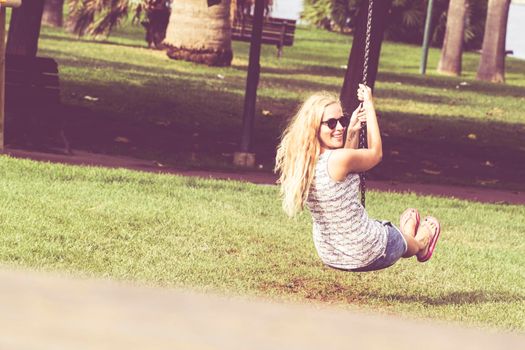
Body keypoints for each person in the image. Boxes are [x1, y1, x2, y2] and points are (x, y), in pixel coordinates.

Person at [274, 85, 441, 272]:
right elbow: (375, 154)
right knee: (393, 237)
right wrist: (369, 105)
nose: (339, 128)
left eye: (342, 121)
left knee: (393, 236)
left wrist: (352, 131)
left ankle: (406, 236)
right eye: (331, 123)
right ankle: (420, 243)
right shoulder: (338, 159)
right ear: (314, 127)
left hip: (331, 254)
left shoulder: (303, 162)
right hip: (367, 251)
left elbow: (342, 171)